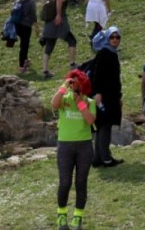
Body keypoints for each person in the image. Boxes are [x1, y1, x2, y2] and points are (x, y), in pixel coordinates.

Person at [51, 69, 97, 229]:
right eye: (71, 81)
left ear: (83, 84)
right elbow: (54, 104)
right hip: (65, 146)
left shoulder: (89, 102)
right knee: (65, 182)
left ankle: (78, 217)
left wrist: (80, 104)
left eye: (75, 82)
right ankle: (61, 215)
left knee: (81, 182)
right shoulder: (64, 99)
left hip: (84, 146)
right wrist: (63, 87)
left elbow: (90, 120)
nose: (73, 85)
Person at [91, 26, 124, 167]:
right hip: (105, 97)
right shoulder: (105, 54)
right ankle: (106, 158)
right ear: (106, 38)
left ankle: (98, 158)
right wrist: (98, 93)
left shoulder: (108, 53)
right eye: (112, 37)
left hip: (109, 95)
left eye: (117, 37)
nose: (115, 40)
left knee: (101, 126)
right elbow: (97, 75)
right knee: (105, 125)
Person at [40, 0, 78, 79]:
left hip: (49, 24)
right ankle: (72, 64)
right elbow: (60, 0)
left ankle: (45, 71)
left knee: (49, 46)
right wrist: (59, 15)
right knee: (72, 41)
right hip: (59, 24)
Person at [14, 0, 38, 74]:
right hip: (26, 25)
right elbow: (33, 14)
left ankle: (26, 60)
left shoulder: (19, 0)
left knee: (23, 44)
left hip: (17, 25)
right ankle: (21, 67)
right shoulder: (31, 2)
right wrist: (36, 25)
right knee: (24, 46)